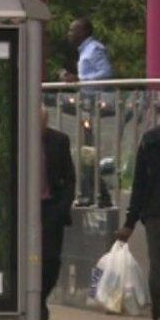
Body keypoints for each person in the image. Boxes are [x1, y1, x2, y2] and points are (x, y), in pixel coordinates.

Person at [115, 120, 160, 320]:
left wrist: (129, 223)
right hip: (156, 214)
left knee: (158, 269)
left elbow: (140, 186)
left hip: (156, 216)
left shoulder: (150, 140)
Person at [59, 17, 113, 207]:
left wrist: (79, 79)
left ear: (84, 32)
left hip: (95, 107)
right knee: (86, 151)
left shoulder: (94, 49)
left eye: (73, 30)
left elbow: (105, 73)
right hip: (86, 106)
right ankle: (97, 194)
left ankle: (94, 194)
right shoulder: (83, 52)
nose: (69, 34)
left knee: (88, 152)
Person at [40, 106, 76, 320]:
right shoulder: (18, 138)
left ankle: (40, 297)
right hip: (25, 208)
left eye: (42, 123)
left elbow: (69, 176)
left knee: (51, 259)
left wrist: (63, 207)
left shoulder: (59, 141)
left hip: (51, 206)